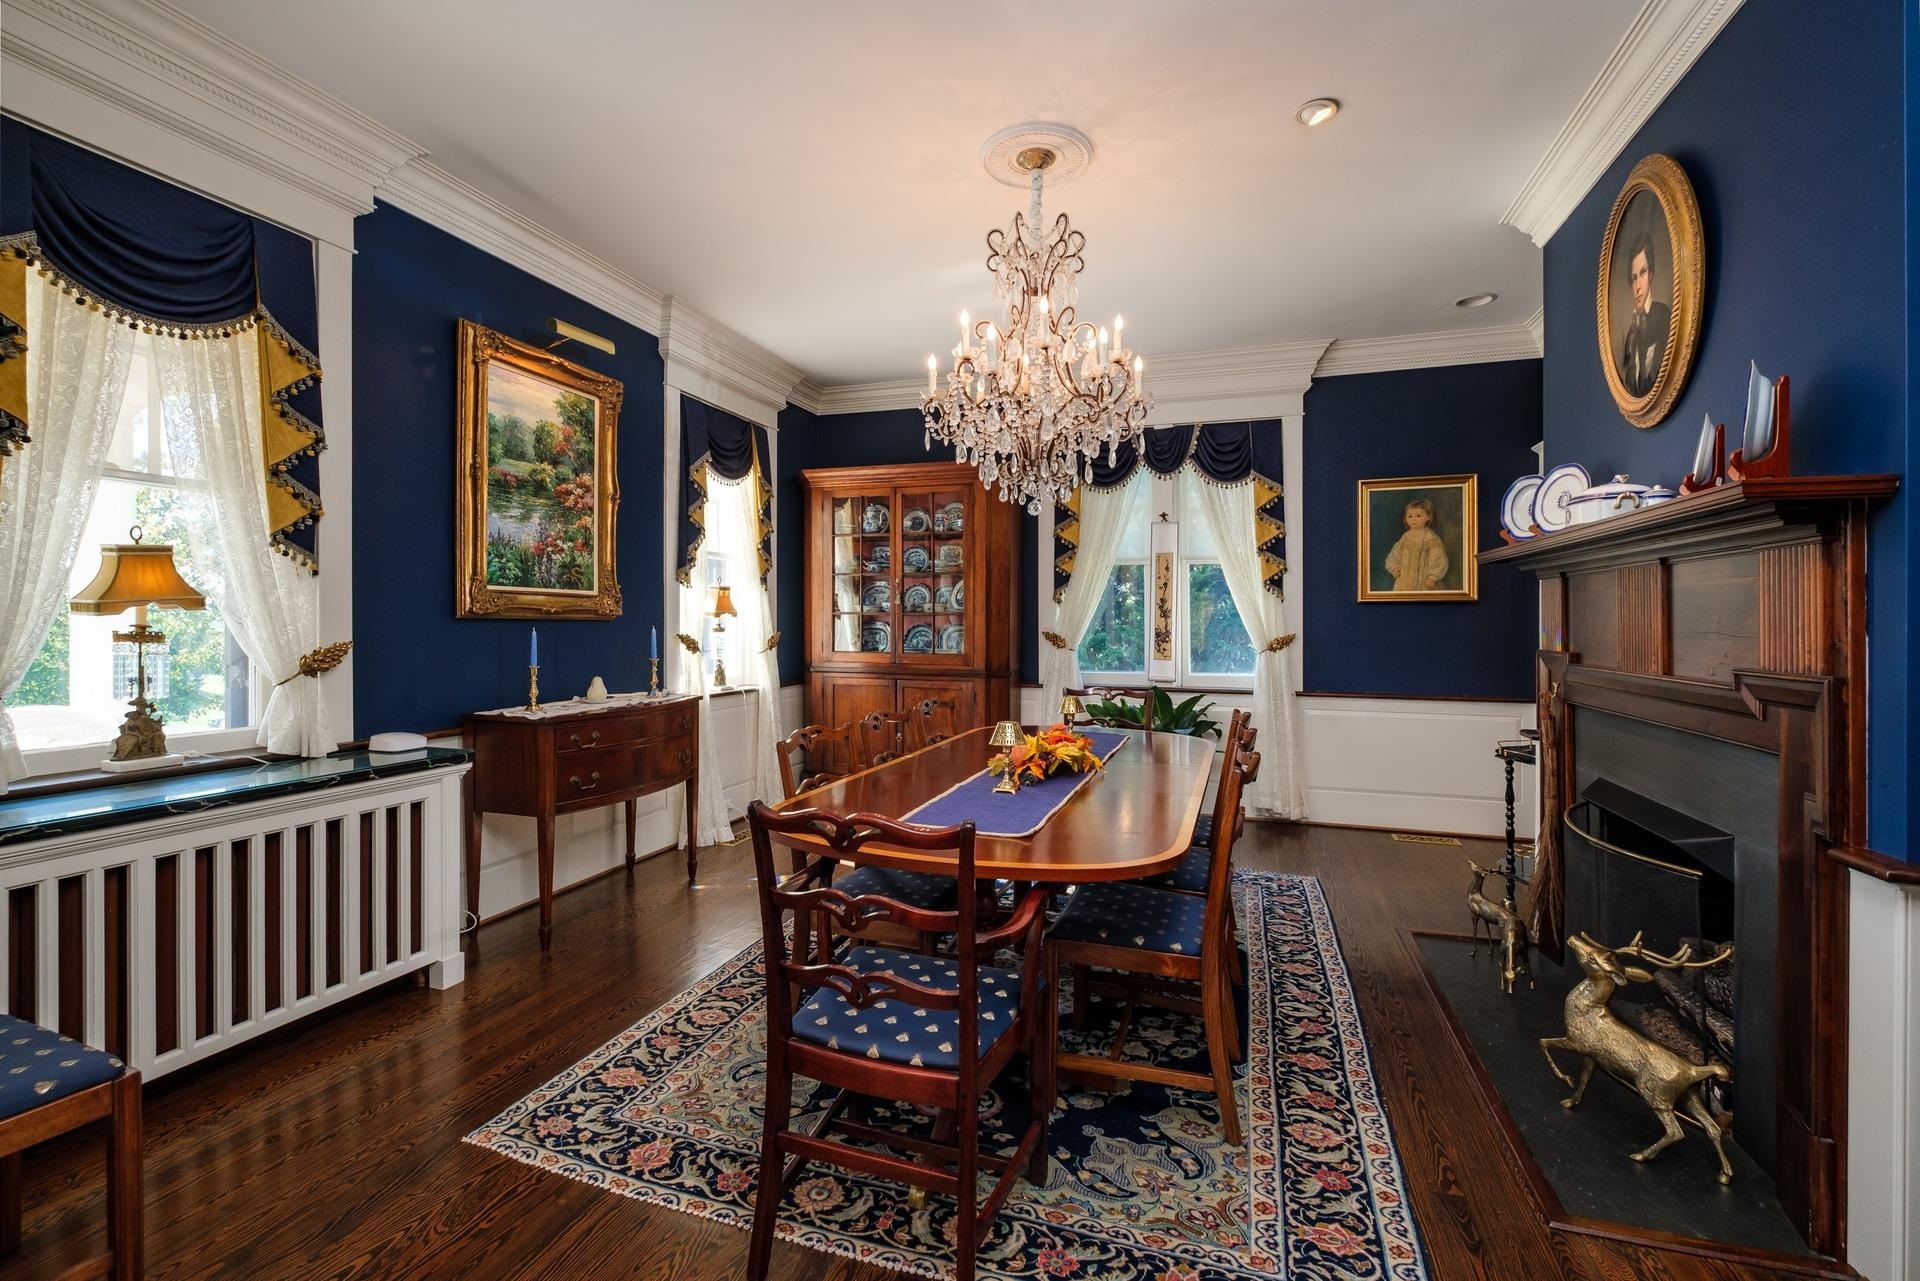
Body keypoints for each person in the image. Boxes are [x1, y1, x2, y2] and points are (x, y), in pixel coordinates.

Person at [1618, 232, 1670, 398]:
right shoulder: (1631, 334)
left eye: (1642, 273)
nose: (1638, 286)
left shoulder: (1664, 315)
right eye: (1634, 278)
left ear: (1651, 275)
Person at [1384, 499, 1448, 592]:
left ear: (1428, 517)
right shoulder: (1405, 537)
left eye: (1418, 516)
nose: (1413, 519)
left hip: (1424, 581)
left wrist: (1433, 577)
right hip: (1405, 581)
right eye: (1410, 516)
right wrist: (1394, 568)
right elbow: (1395, 554)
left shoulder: (1431, 538)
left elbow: (1438, 559)